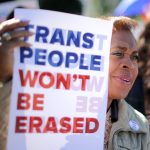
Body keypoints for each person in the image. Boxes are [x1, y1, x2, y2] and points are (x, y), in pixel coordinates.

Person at [0, 15, 150, 150]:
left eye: (134, 57)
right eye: (118, 53)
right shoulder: (46, 115)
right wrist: (7, 79)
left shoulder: (140, 126)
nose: (130, 64)